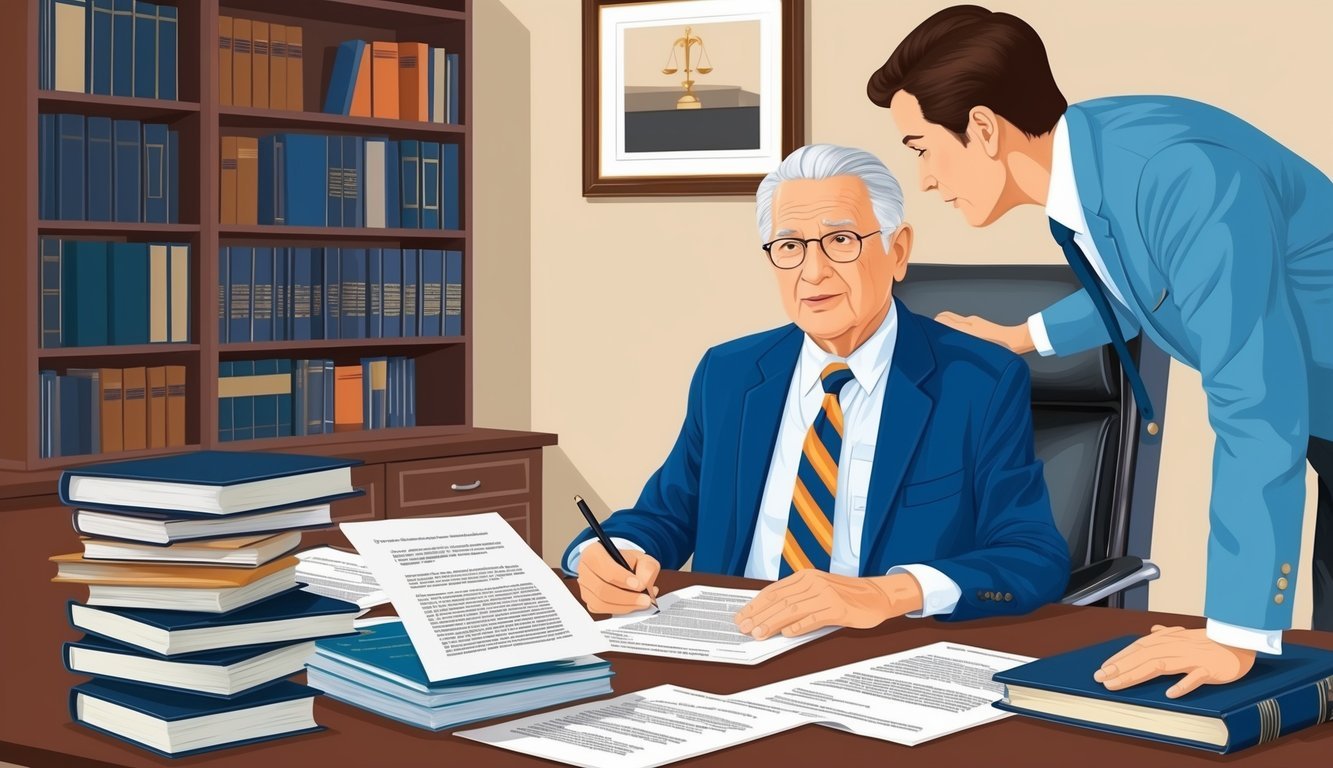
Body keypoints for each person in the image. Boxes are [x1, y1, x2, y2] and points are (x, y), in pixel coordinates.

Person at [867, 5, 1333, 698]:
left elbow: (1254, 405)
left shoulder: (1180, 176)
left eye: (921, 148)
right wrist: (1025, 337)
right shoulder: (1092, 159)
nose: (926, 180)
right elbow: (1147, 282)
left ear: (984, 130)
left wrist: (1232, 635)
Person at [563, 144, 1070, 641]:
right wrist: (606, 557)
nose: (812, 271)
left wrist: (888, 593)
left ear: (898, 250)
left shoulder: (978, 379)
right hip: (734, 645)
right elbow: (665, 514)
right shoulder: (730, 373)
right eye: (789, 247)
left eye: (841, 240)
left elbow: (1031, 556)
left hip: (880, 658)